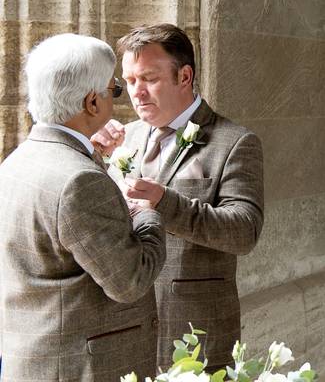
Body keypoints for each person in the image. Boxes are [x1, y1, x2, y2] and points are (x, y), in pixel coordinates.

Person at [92, 24, 264, 369]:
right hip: (123, 328)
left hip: (196, 332)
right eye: (130, 81)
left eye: (149, 78)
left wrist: (166, 203)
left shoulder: (235, 142)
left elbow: (245, 231)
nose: (136, 92)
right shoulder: (123, 140)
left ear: (184, 77)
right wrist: (93, 158)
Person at [0, 33, 165, 380]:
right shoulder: (79, 181)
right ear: (92, 103)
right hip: (79, 368)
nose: (118, 97)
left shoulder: (15, 163)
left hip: (33, 361)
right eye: (114, 89)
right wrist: (147, 211)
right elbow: (130, 282)